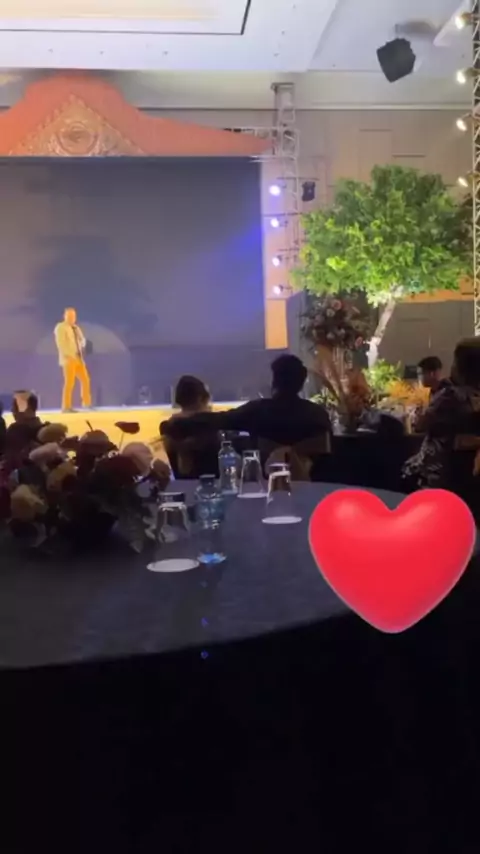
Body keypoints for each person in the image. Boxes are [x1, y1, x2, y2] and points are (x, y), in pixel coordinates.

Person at [161, 355, 331, 448]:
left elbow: (219, 419)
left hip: (266, 484)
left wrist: (178, 423)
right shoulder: (318, 415)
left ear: (274, 381)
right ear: (302, 383)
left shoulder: (258, 411)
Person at [404, 338, 480, 489]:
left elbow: (420, 425)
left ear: (460, 367)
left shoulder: (449, 397)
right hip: (467, 479)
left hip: (438, 475)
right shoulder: (467, 396)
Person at [54, 307, 92, 413]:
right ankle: (66, 406)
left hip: (78, 358)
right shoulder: (60, 327)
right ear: (65, 316)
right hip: (69, 358)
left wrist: (83, 344)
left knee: (85, 379)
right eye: (69, 316)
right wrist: (68, 355)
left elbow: (82, 340)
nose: (72, 318)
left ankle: (86, 403)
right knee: (69, 382)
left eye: (73, 316)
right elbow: (61, 343)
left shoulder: (76, 328)